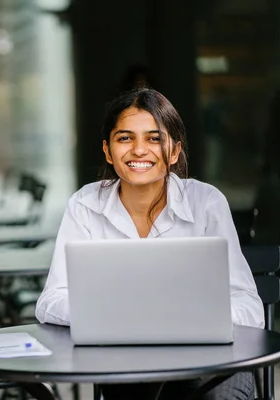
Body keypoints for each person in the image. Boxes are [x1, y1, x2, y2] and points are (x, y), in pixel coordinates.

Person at [35, 88, 263, 400]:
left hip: (211, 365)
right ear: (107, 150)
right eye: (125, 138)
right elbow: (50, 301)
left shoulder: (206, 203)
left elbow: (250, 308)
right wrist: (106, 315)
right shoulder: (85, 204)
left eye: (154, 138)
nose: (139, 150)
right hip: (125, 365)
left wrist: (196, 319)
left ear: (174, 151)